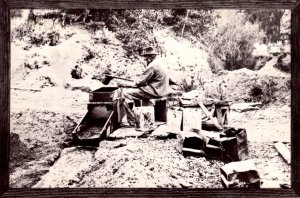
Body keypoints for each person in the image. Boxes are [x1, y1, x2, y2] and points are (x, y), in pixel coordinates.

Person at [118, 47, 177, 126]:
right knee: (140, 93)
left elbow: (139, 82)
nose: (145, 60)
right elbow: (171, 80)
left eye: (146, 58)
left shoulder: (152, 66)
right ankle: (146, 118)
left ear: (151, 57)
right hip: (162, 91)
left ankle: (132, 119)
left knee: (125, 93)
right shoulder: (161, 63)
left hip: (155, 92)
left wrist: (124, 84)